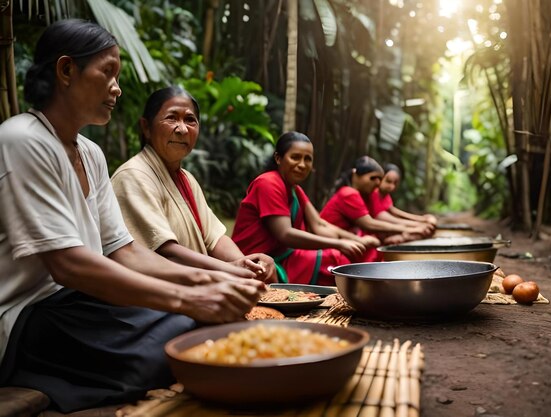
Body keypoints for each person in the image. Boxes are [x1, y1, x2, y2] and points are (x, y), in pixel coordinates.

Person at [0, 20, 264, 413]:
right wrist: (190, 296)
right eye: (108, 72)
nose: (117, 89)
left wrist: (215, 277)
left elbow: (122, 250)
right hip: (29, 316)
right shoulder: (22, 139)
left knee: (194, 329)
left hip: (81, 303)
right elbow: (67, 265)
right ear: (66, 70)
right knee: (169, 349)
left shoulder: (90, 154)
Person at [111, 86, 276, 283]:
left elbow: (214, 238)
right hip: (156, 298)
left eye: (190, 120)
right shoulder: (133, 176)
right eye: (172, 118)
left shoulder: (186, 178)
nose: (182, 129)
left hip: (196, 288)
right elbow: (166, 251)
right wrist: (229, 269)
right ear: (146, 127)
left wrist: (245, 263)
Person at [231, 131, 380, 286]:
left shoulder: (295, 189)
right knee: (337, 261)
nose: (302, 165)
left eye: (307, 159)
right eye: (295, 157)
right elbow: (285, 234)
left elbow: (319, 224)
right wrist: (339, 243)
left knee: (342, 260)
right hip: (261, 261)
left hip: (284, 256)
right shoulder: (268, 183)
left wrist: (355, 241)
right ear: (278, 158)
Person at [320, 156, 435, 246]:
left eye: (379, 179)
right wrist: (413, 228)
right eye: (373, 178)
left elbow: (389, 213)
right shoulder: (349, 193)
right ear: (356, 175)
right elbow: (370, 223)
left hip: (344, 238)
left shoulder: (363, 193)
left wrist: (420, 223)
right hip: (330, 240)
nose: (377, 183)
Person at [370, 163, 438, 232]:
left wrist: (422, 219)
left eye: (395, 183)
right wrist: (417, 225)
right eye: (388, 181)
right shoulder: (374, 193)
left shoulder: (386, 196)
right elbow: (382, 217)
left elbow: (393, 211)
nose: (392, 187)